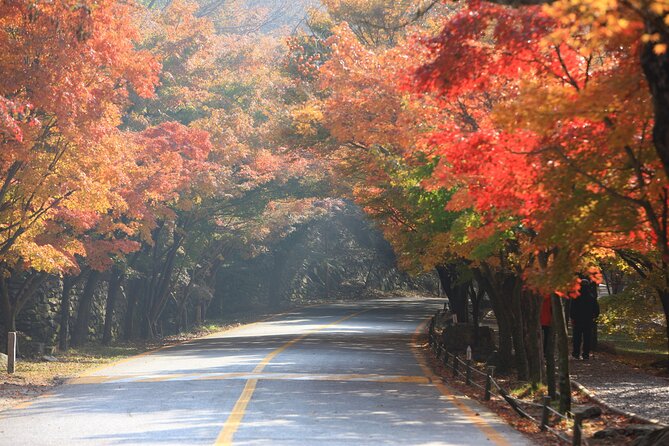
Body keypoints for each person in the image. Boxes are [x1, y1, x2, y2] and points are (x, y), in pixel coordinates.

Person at [570, 276, 600, 360]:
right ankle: (585, 354)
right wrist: (594, 316)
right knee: (587, 338)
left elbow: (572, 308)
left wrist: (572, 317)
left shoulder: (576, 296)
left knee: (577, 337)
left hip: (577, 320)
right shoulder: (591, 297)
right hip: (588, 320)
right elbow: (597, 309)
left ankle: (576, 353)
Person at [540, 294, 552, 359]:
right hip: (548, 320)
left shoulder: (538, 297)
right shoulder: (551, 298)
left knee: (539, 337)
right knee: (546, 338)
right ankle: (545, 351)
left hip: (540, 319)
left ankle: (540, 351)